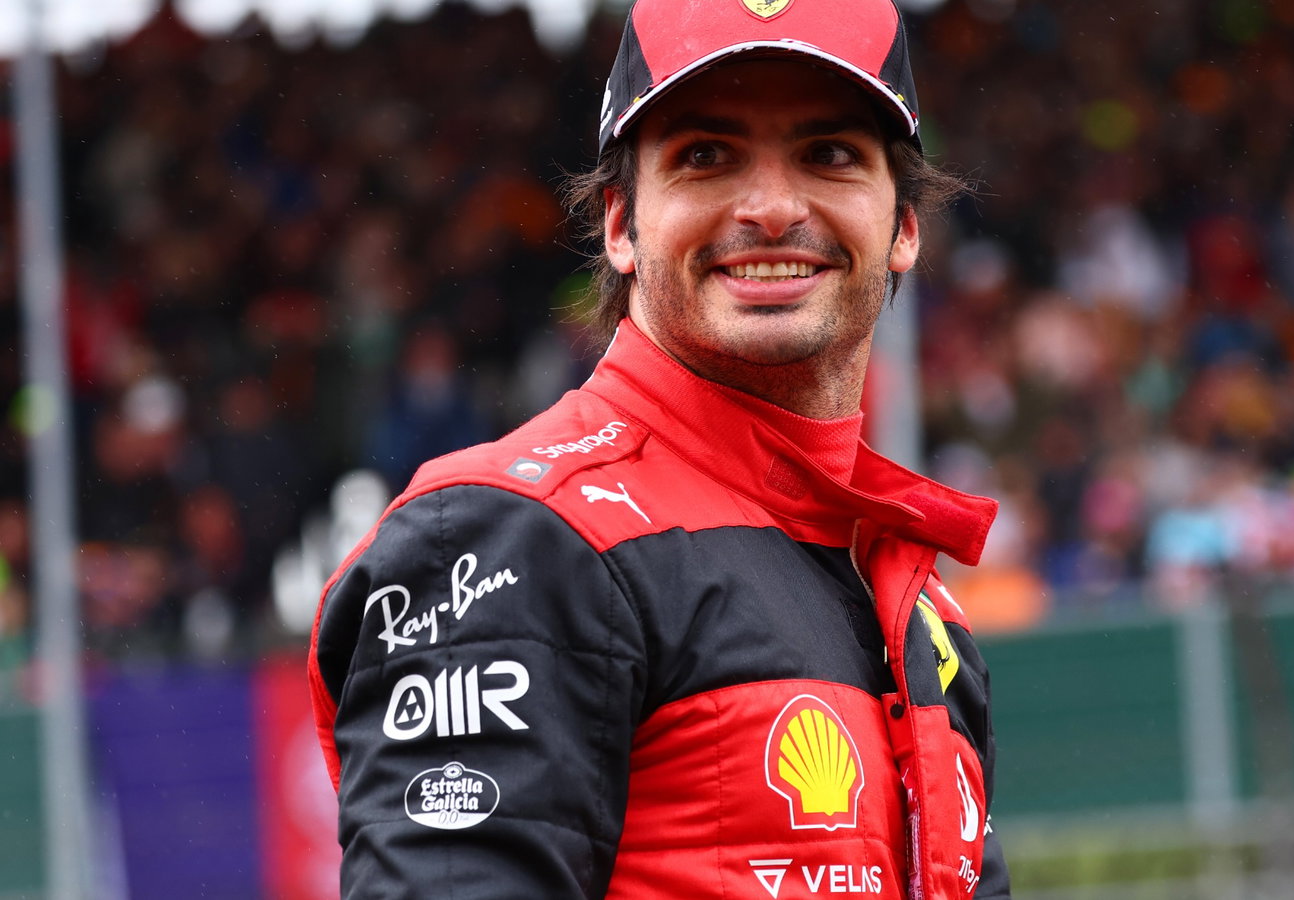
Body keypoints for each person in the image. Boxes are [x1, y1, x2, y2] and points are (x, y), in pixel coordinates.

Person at [308, 0, 1011, 896]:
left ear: (904, 226)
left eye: (829, 154)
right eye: (706, 156)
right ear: (620, 225)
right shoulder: (516, 538)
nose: (770, 208)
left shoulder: (919, 602)